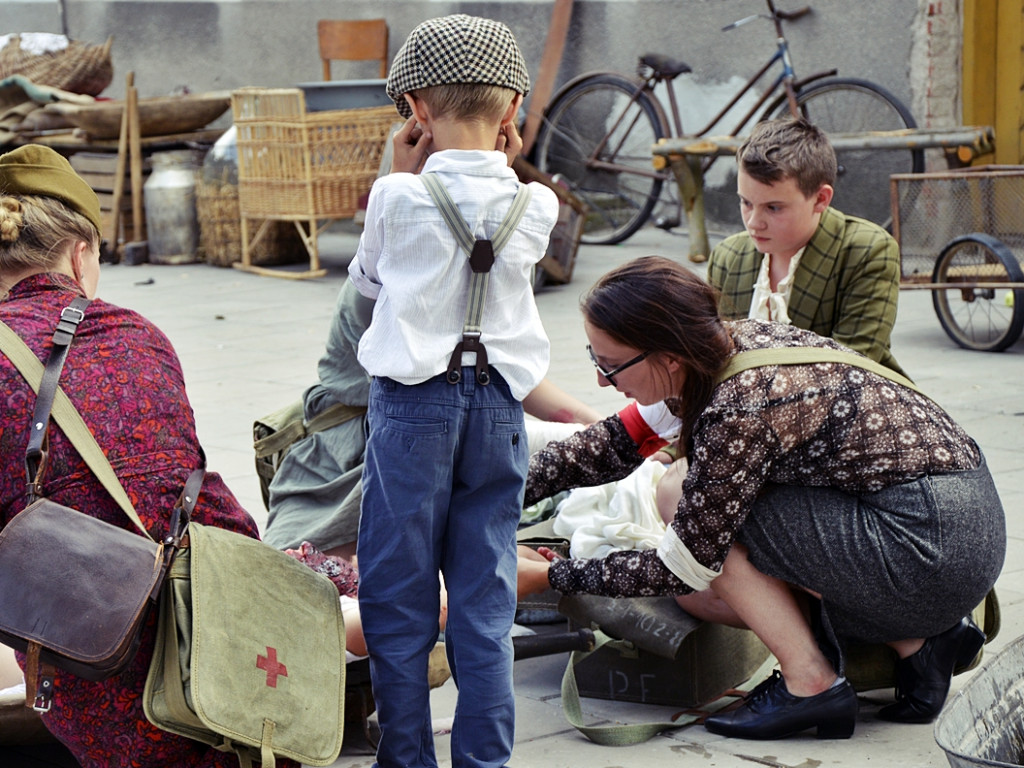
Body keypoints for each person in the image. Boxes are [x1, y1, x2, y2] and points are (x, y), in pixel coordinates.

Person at [517, 256, 1005, 739]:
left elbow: (680, 563)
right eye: (594, 360)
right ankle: (920, 641)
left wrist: (547, 576)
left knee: (692, 524)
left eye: (610, 366)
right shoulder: (715, 347)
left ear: (667, 358)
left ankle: (811, 682)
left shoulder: (739, 406)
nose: (603, 381)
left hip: (930, 546)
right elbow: (612, 445)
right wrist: (501, 494)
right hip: (965, 526)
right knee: (696, 546)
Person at [0, 145, 298, 767]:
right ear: (81, 255)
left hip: (80, 670)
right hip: (205, 660)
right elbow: (186, 487)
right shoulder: (140, 333)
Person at [347, 14, 560, 768]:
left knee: (398, 596)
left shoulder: (395, 197)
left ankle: (406, 758)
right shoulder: (539, 207)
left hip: (412, 409)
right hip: (499, 410)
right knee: (486, 598)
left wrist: (400, 171)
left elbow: (368, 284)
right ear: (512, 113)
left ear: (414, 109)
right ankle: (484, 760)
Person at [263, 281, 600, 561]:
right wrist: (589, 437)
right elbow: (436, 412)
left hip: (426, 436)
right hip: (358, 449)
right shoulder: (379, 287)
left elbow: (510, 375)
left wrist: (607, 431)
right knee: (311, 575)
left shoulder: (481, 263)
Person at [707, 117, 906, 376]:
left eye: (773, 207)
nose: (754, 223)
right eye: (746, 203)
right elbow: (711, 359)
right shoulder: (727, 257)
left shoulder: (866, 251)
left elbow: (852, 365)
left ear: (820, 199)